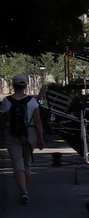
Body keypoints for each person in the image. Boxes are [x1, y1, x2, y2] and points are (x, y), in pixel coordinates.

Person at [2, 74, 46, 204]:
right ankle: (25, 191)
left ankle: (23, 192)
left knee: (17, 163)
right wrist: (41, 138)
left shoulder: (6, 101)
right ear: (26, 86)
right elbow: (38, 121)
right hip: (30, 133)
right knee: (27, 163)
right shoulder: (32, 102)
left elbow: (2, 120)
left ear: (13, 85)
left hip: (12, 133)